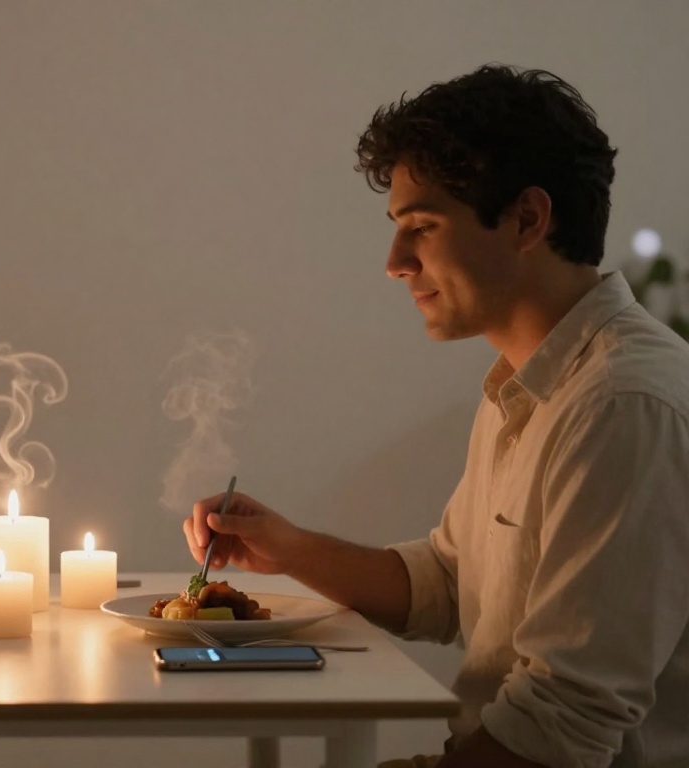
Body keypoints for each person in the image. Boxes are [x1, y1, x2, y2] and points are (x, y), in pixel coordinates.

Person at [184, 65, 689, 768]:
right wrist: (285, 548)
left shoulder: (621, 404)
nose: (394, 262)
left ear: (527, 220)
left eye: (421, 226)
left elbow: (566, 723)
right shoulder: (528, 383)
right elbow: (449, 586)